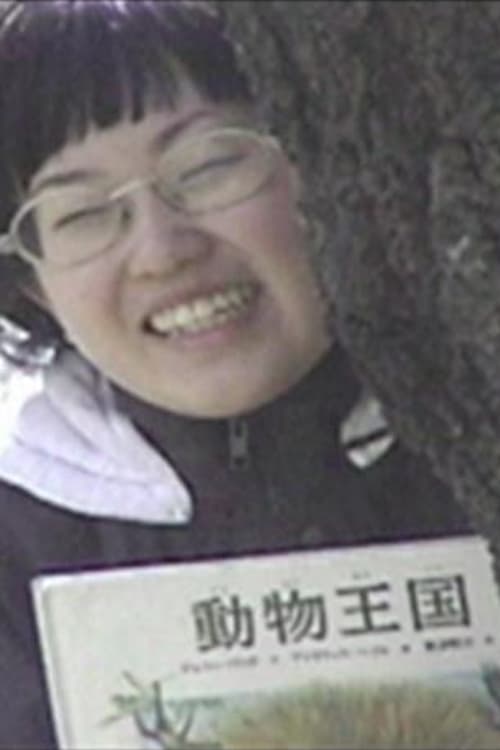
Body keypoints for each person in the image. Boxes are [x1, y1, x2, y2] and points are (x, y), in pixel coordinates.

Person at [0, 1, 471, 747]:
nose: (163, 251)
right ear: (32, 284)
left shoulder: (468, 431)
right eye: (80, 214)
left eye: (208, 166)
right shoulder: (19, 532)